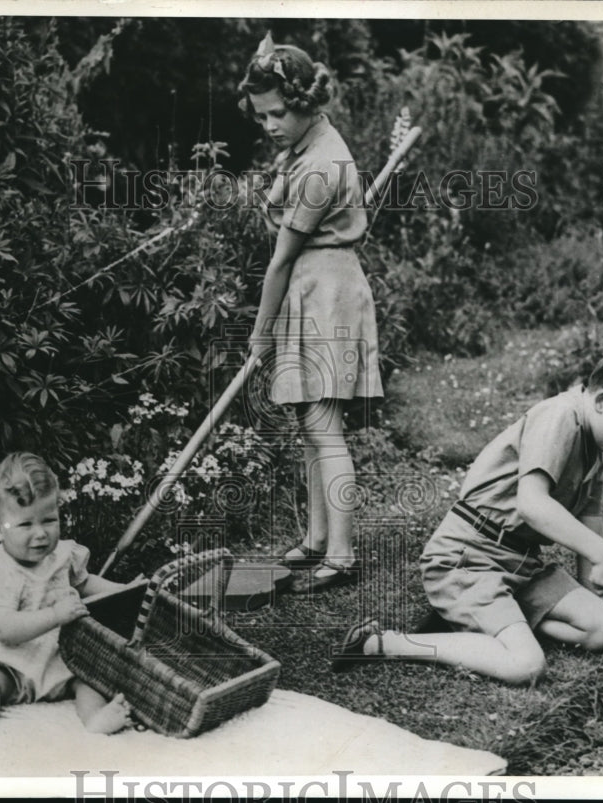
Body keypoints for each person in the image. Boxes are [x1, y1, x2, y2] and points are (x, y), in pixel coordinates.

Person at [332, 344, 603, 684]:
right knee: (525, 665)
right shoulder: (560, 416)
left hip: (521, 565)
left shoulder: (596, 452)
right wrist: (602, 553)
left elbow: (588, 526)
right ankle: (382, 643)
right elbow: (533, 505)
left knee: (601, 629)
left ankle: (493, 623)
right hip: (468, 559)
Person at [239, 32, 383, 592]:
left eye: (278, 114)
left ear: (305, 104)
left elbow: (279, 262)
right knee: (309, 422)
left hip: (325, 291)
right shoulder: (306, 148)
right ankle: (317, 540)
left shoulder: (321, 165)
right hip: (315, 284)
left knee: (326, 427)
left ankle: (342, 557)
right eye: (261, 116)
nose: (270, 125)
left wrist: (259, 334)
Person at [0, 452, 138, 740]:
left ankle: (95, 717)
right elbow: (5, 629)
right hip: (12, 660)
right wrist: (56, 615)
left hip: (62, 656)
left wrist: (123, 591)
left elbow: (84, 583)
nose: (41, 534)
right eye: (25, 525)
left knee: (91, 676)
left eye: (48, 520)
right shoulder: (0, 570)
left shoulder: (62, 555)